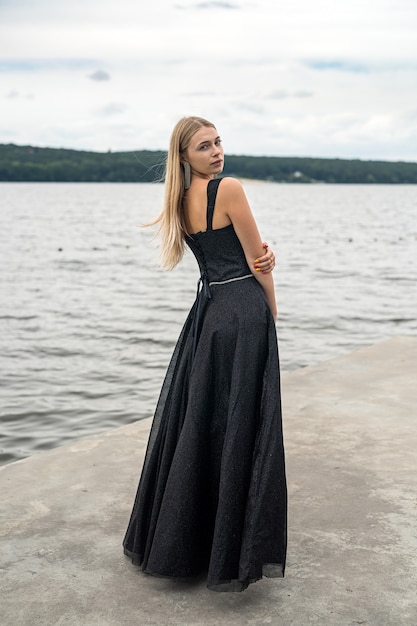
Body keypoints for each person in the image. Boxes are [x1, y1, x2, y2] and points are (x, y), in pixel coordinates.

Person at [123, 116, 287, 592]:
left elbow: (225, 259)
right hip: (243, 313)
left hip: (209, 314)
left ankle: (187, 541)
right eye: (204, 146)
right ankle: (228, 545)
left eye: (218, 143)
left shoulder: (177, 201)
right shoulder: (229, 189)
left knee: (201, 424)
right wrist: (272, 317)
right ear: (184, 156)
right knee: (242, 425)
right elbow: (259, 262)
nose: (216, 152)